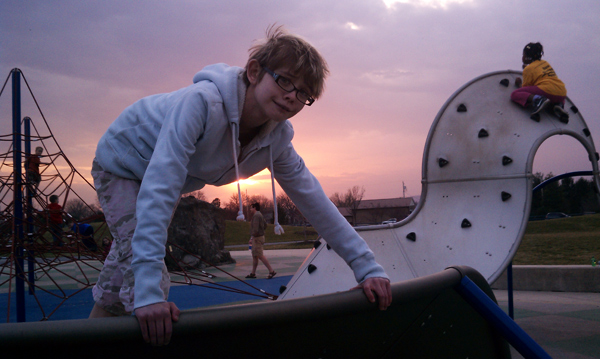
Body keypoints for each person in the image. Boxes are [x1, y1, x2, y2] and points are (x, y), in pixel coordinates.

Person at [88, 25, 392, 346]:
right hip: (122, 164)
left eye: (304, 93)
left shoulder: (277, 140)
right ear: (254, 71)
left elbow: (314, 200)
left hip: (158, 177)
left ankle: (84, 340)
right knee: (146, 277)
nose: (293, 95)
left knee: (124, 267)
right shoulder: (201, 105)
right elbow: (160, 187)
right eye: (285, 80)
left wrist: (367, 268)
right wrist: (149, 297)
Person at [510, 42, 569, 123]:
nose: (522, 57)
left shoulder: (528, 69)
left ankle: (538, 100)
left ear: (527, 57)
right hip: (562, 93)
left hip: (547, 90)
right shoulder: (545, 63)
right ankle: (558, 105)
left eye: (523, 55)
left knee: (514, 94)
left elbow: (525, 89)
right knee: (553, 94)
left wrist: (519, 84)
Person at [245, 202, 275, 279]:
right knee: (255, 256)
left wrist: (252, 238)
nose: (250, 209)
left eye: (251, 207)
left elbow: (255, 229)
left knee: (260, 255)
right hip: (259, 237)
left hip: (257, 239)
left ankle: (271, 271)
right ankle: (253, 273)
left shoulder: (256, 216)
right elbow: (265, 225)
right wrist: (261, 231)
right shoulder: (260, 215)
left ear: (254, 208)